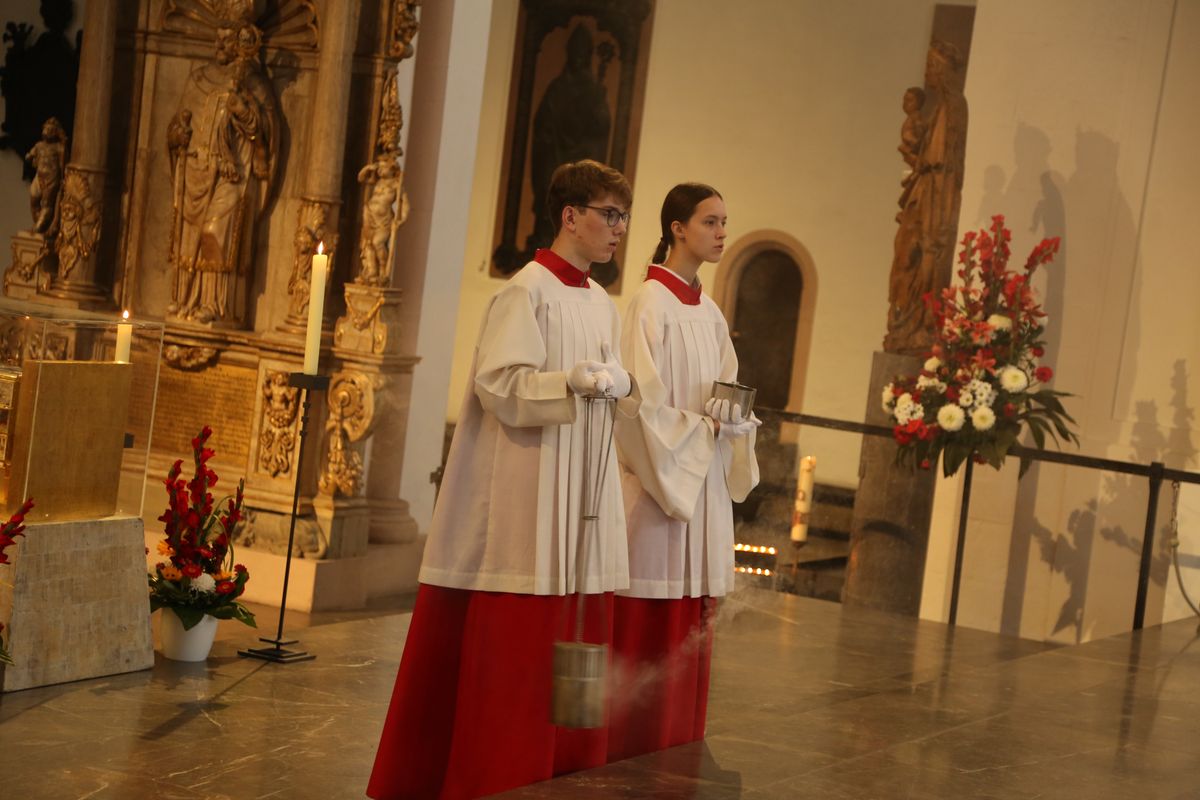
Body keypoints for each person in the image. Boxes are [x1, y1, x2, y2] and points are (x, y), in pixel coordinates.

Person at [368, 159, 640, 800]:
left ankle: (560, 769)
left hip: (580, 489)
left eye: (623, 217)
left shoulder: (600, 302)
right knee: (520, 647)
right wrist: (568, 382)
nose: (619, 229)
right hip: (528, 489)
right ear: (570, 216)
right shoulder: (526, 292)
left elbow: (614, 387)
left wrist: (621, 385)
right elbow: (499, 385)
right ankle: (498, 774)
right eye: (610, 214)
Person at [609, 182, 760, 761]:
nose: (722, 233)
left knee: (692, 617)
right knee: (649, 619)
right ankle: (629, 744)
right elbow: (635, 410)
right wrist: (703, 430)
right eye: (710, 222)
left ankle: (674, 745)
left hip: (702, 486)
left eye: (724, 222)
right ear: (677, 228)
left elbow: (725, 392)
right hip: (658, 489)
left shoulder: (710, 312)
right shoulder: (649, 304)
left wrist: (734, 420)